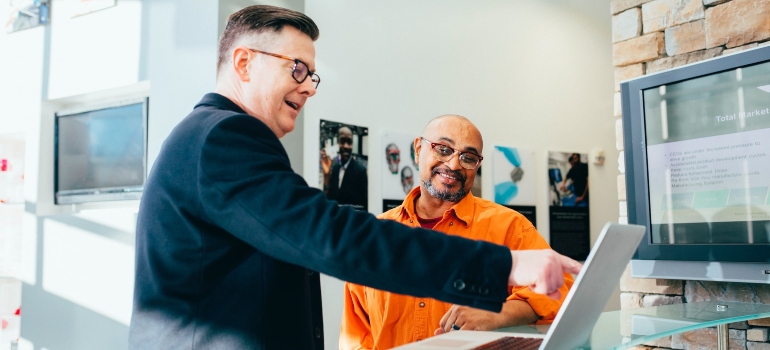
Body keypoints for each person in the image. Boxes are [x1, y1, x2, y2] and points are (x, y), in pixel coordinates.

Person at [129, 5, 581, 350]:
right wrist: (503, 265)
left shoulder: (210, 137)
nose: (308, 86)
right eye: (297, 68)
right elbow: (330, 237)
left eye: (312, 76)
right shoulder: (224, 137)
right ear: (244, 63)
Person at [340, 115, 575, 349]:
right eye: (443, 149)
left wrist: (499, 313)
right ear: (418, 149)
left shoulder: (509, 227)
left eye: (468, 158)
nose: (453, 166)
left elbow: (560, 291)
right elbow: (356, 337)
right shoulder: (373, 237)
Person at [321, 126, 368, 210]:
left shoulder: (360, 172)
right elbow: (329, 200)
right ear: (337, 143)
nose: (346, 146)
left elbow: (364, 207)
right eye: (342, 141)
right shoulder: (335, 169)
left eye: (349, 142)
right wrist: (326, 175)